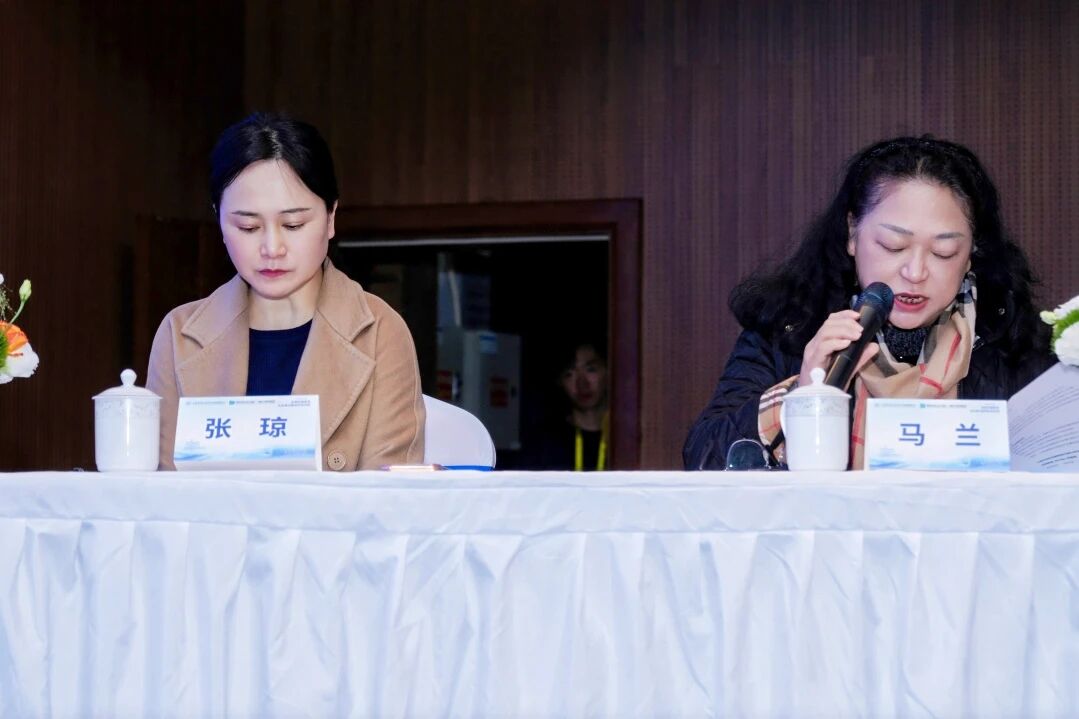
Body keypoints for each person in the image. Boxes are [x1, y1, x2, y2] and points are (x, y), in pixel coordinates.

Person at [684, 136, 1054, 470]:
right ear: (852, 233)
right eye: (893, 246)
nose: (915, 272)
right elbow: (703, 458)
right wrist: (803, 395)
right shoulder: (788, 333)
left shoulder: (1016, 345)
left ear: (971, 253)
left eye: (944, 252)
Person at [147, 112, 425, 471]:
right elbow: (161, 493)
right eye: (248, 227)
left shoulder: (380, 332)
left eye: (293, 224)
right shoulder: (179, 335)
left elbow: (387, 496)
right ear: (219, 220)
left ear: (331, 217)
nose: (272, 248)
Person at [526, 341, 610, 471]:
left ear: (608, 371)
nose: (582, 384)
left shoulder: (626, 437)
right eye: (569, 374)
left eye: (591, 370)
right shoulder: (545, 443)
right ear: (560, 381)